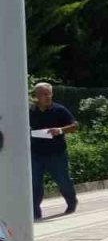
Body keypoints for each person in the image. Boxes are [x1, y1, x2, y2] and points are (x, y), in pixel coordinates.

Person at [29, 82, 78, 220]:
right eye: (43, 94)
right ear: (36, 96)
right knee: (34, 184)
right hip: (36, 154)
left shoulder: (59, 110)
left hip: (56, 154)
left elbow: (75, 126)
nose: (47, 96)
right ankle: (35, 213)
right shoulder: (30, 111)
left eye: (49, 93)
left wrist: (60, 130)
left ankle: (71, 202)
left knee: (63, 181)